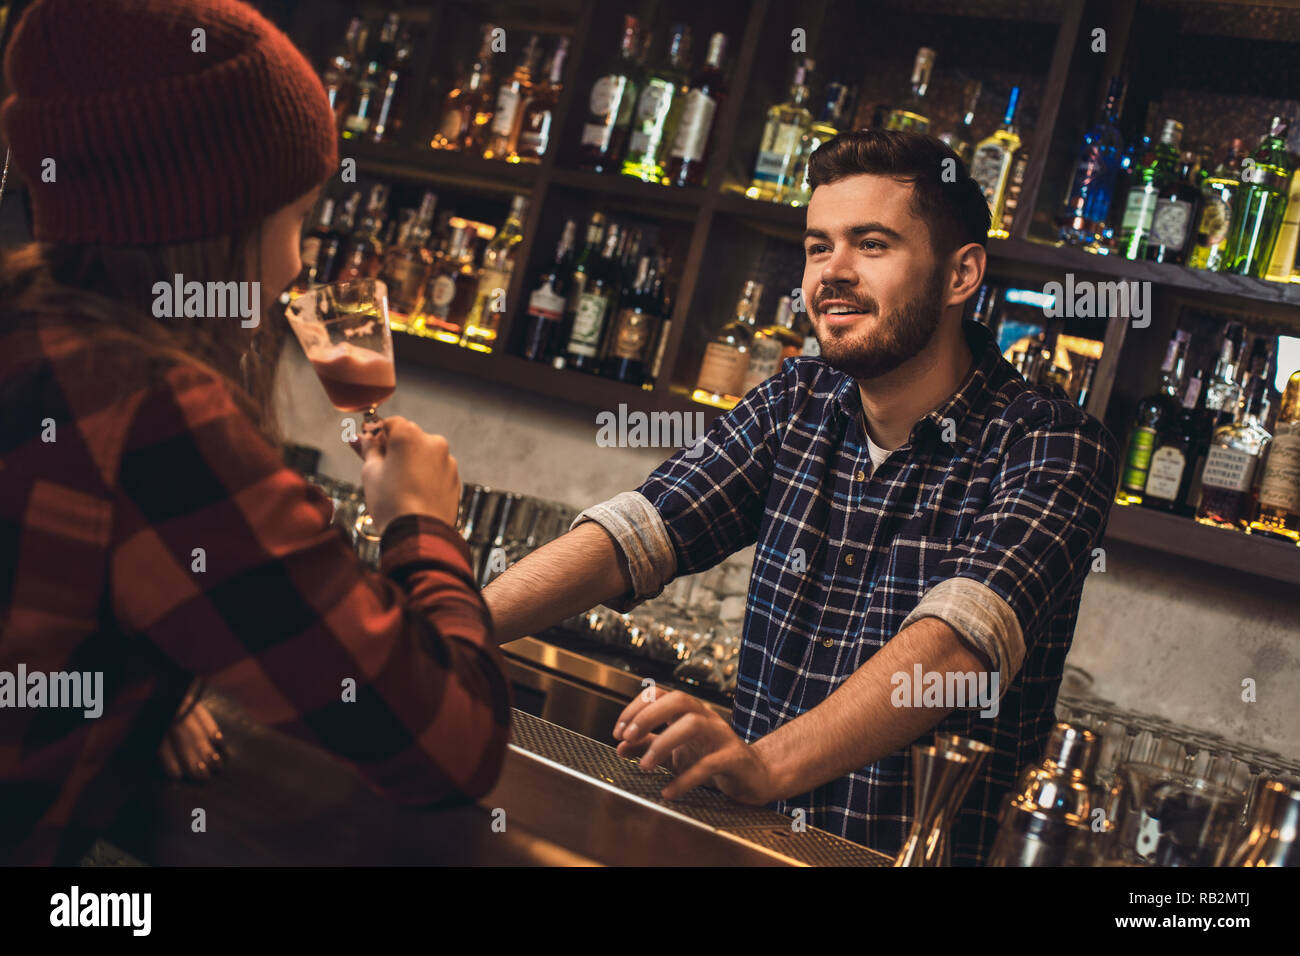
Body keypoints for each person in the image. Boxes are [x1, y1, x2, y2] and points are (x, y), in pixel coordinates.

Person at [485, 130, 1119, 865]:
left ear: (960, 274)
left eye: (871, 244)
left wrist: (766, 768)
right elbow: (640, 532)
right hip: (749, 846)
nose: (832, 273)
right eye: (819, 246)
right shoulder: (800, 400)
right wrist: (448, 631)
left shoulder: (1050, 445)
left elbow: (956, 647)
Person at [0, 0, 510, 866]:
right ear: (210, 219)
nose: (300, 265)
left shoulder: (26, 327)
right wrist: (420, 523)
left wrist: (154, 679)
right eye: (294, 217)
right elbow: (452, 743)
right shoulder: (153, 417)